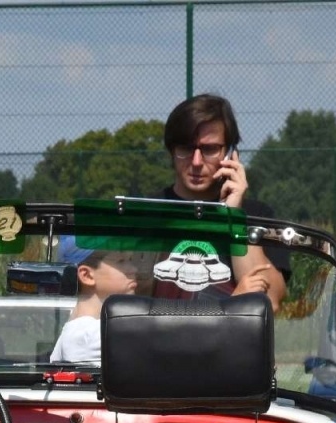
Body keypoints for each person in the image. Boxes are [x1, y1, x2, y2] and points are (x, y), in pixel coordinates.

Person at [152, 94, 288, 308]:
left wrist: (234, 216)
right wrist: (228, 305)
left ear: (231, 153)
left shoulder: (256, 215)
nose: (196, 162)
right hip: (160, 340)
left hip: (233, 342)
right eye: (186, 149)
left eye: (209, 149)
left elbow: (269, 300)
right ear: (171, 150)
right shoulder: (148, 213)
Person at [48, 235, 140, 363]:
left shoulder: (79, 330)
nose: (134, 269)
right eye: (121, 261)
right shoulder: (90, 336)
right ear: (86, 275)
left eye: (130, 259)